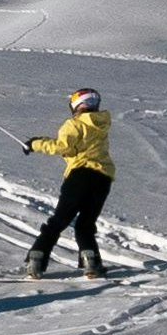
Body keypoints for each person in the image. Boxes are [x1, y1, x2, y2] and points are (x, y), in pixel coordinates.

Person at [19, 87, 115, 279]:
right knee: (85, 224)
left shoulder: (74, 124)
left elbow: (62, 146)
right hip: (103, 178)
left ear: (76, 105)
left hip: (79, 176)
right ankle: (92, 263)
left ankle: (36, 260)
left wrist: (35, 144)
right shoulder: (102, 124)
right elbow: (75, 149)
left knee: (58, 222)